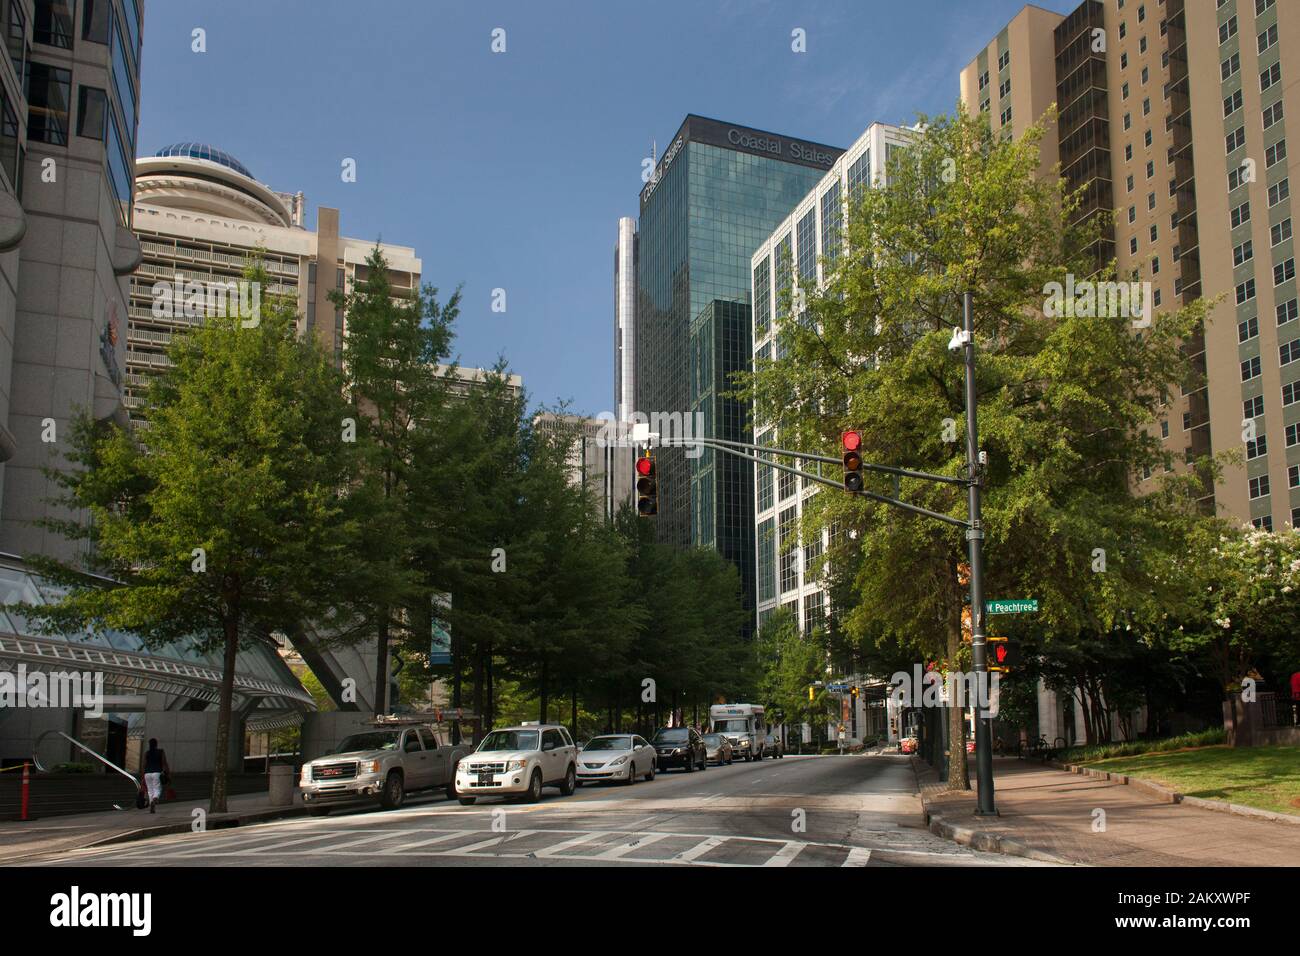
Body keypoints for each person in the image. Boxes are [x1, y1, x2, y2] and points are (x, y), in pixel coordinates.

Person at [142, 738, 170, 814]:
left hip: (147, 773)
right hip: (157, 772)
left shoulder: (146, 753)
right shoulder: (161, 752)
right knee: (158, 789)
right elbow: (164, 763)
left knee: (150, 790)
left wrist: (143, 775)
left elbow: (144, 765)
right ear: (156, 744)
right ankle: (155, 799)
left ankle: (152, 804)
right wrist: (167, 772)